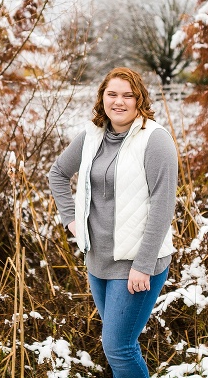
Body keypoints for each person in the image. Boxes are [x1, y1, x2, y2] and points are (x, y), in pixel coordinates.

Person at [49, 67, 178, 378]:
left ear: (139, 100)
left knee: (118, 346)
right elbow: (57, 174)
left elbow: (163, 206)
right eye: (112, 94)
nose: (119, 102)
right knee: (117, 346)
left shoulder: (155, 140)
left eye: (127, 95)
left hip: (137, 261)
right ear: (102, 98)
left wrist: (143, 265)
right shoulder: (91, 136)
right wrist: (71, 219)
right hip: (98, 259)